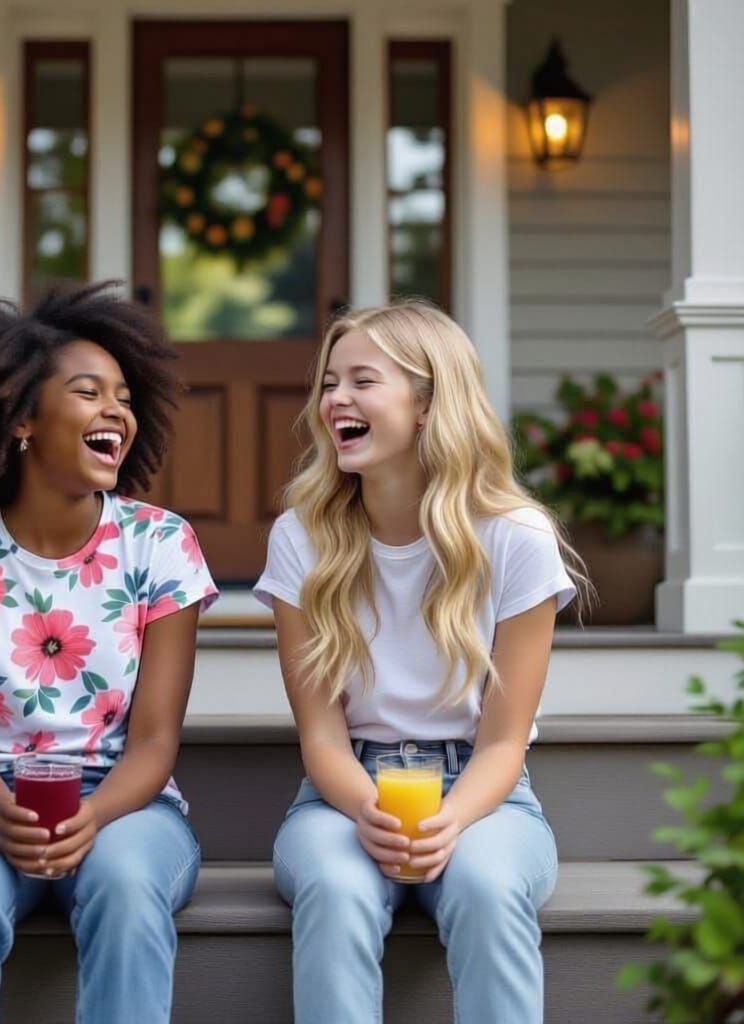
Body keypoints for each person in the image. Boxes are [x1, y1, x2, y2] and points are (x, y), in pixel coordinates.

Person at [0, 282, 218, 1024]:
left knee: (127, 886)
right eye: (88, 393)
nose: (116, 412)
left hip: (126, 801)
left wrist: (92, 816)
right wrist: (5, 812)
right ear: (23, 420)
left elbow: (155, 741)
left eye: (124, 397)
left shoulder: (161, 543)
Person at [254, 300, 588, 1024]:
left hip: (484, 793)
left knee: (487, 888)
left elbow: (503, 742)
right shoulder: (301, 538)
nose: (335, 399)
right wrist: (369, 810)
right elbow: (321, 736)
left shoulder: (516, 537)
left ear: (429, 403)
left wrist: (450, 819)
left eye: (362, 381)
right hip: (345, 792)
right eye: (330, 383)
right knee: (337, 891)